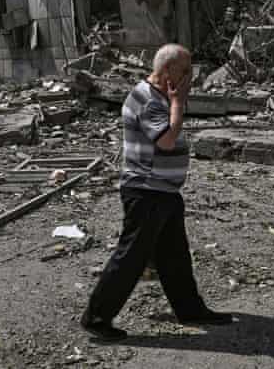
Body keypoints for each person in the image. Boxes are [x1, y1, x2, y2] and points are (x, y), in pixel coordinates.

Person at [81, 44, 233, 341]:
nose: (191, 75)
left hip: (161, 191)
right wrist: (178, 103)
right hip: (147, 191)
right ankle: (96, 317)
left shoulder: (157, 95)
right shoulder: (149, 99)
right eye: (185, 70)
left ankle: (190, 309)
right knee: (131, 257)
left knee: (174, 256)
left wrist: (177, 100)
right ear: (166, 71)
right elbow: (165, 140)